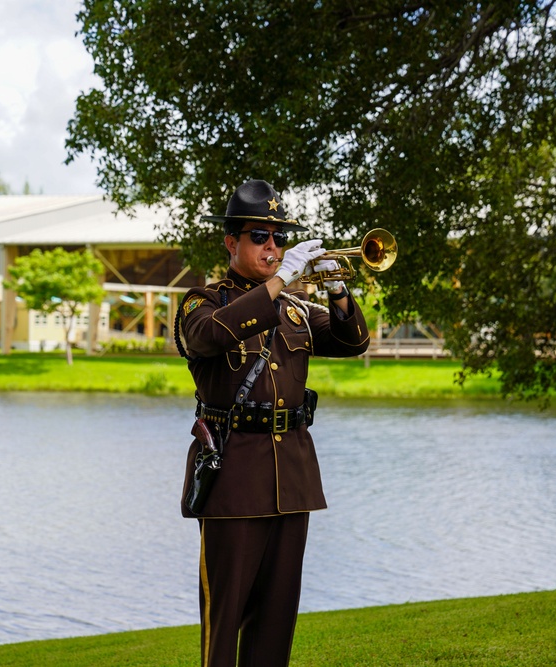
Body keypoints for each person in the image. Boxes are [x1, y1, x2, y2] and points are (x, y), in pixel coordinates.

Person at [176, 179, 370, 666]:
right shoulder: (203, 302)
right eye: (260, 236)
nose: (272, 246)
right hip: (233, 483)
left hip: (292, 482)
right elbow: (213, 336)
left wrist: (339, 288)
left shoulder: (294, 310)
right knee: (224, 627)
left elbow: (353, 342)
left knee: (276, 625)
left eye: (279, 238)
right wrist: (280, 278)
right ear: (231, 243)